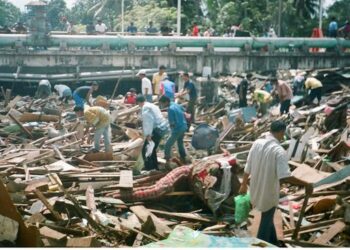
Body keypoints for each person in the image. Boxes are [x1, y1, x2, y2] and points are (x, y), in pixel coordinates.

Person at [239, 121, 313, 246]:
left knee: (268, 217)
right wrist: (306, 184)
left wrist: (243, 184)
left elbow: (248, 167)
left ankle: (274, 242)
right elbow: (285, 176)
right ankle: (261, 244)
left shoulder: (257, 143)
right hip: (269, 192)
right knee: (266, 220)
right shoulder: (279, 151)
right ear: (281, 132)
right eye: (283, 133)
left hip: (255, 189)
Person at [136, 95, 169, 171]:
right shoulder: (152, 105)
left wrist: (148, 134)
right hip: (162, 128)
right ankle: (154, 166)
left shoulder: (145, 108)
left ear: (139, 102)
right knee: (152, 148)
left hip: (157, 129)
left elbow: (148, 122)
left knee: (146, 149)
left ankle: (149, 168)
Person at [159, 95, 187, 167]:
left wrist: (169, 131)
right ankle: (183, 157)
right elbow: (184, 112)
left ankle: (167, 160)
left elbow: (172, 123)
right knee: (180, 142)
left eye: (162, 103)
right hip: (184, 126)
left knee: (167, 144)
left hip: (178, 128)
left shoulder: (170, 109)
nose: (162, 105)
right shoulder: (176, 105)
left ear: (166, 102)